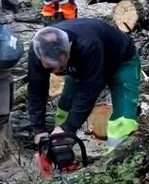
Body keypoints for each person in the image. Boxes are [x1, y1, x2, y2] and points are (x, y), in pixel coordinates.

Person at [28, 19, 141, 150]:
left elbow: (89, 90)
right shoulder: (38, 49)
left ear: (69, 47)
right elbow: (36, 89)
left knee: (123, 121)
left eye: (56, 67)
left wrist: (68, 127)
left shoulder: (88, 44)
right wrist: (39, 129)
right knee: (65, 107)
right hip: (82, 64)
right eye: (48, 67)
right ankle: (60, 149)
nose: (54, 72)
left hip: (121, 61)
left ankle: (116, 163)